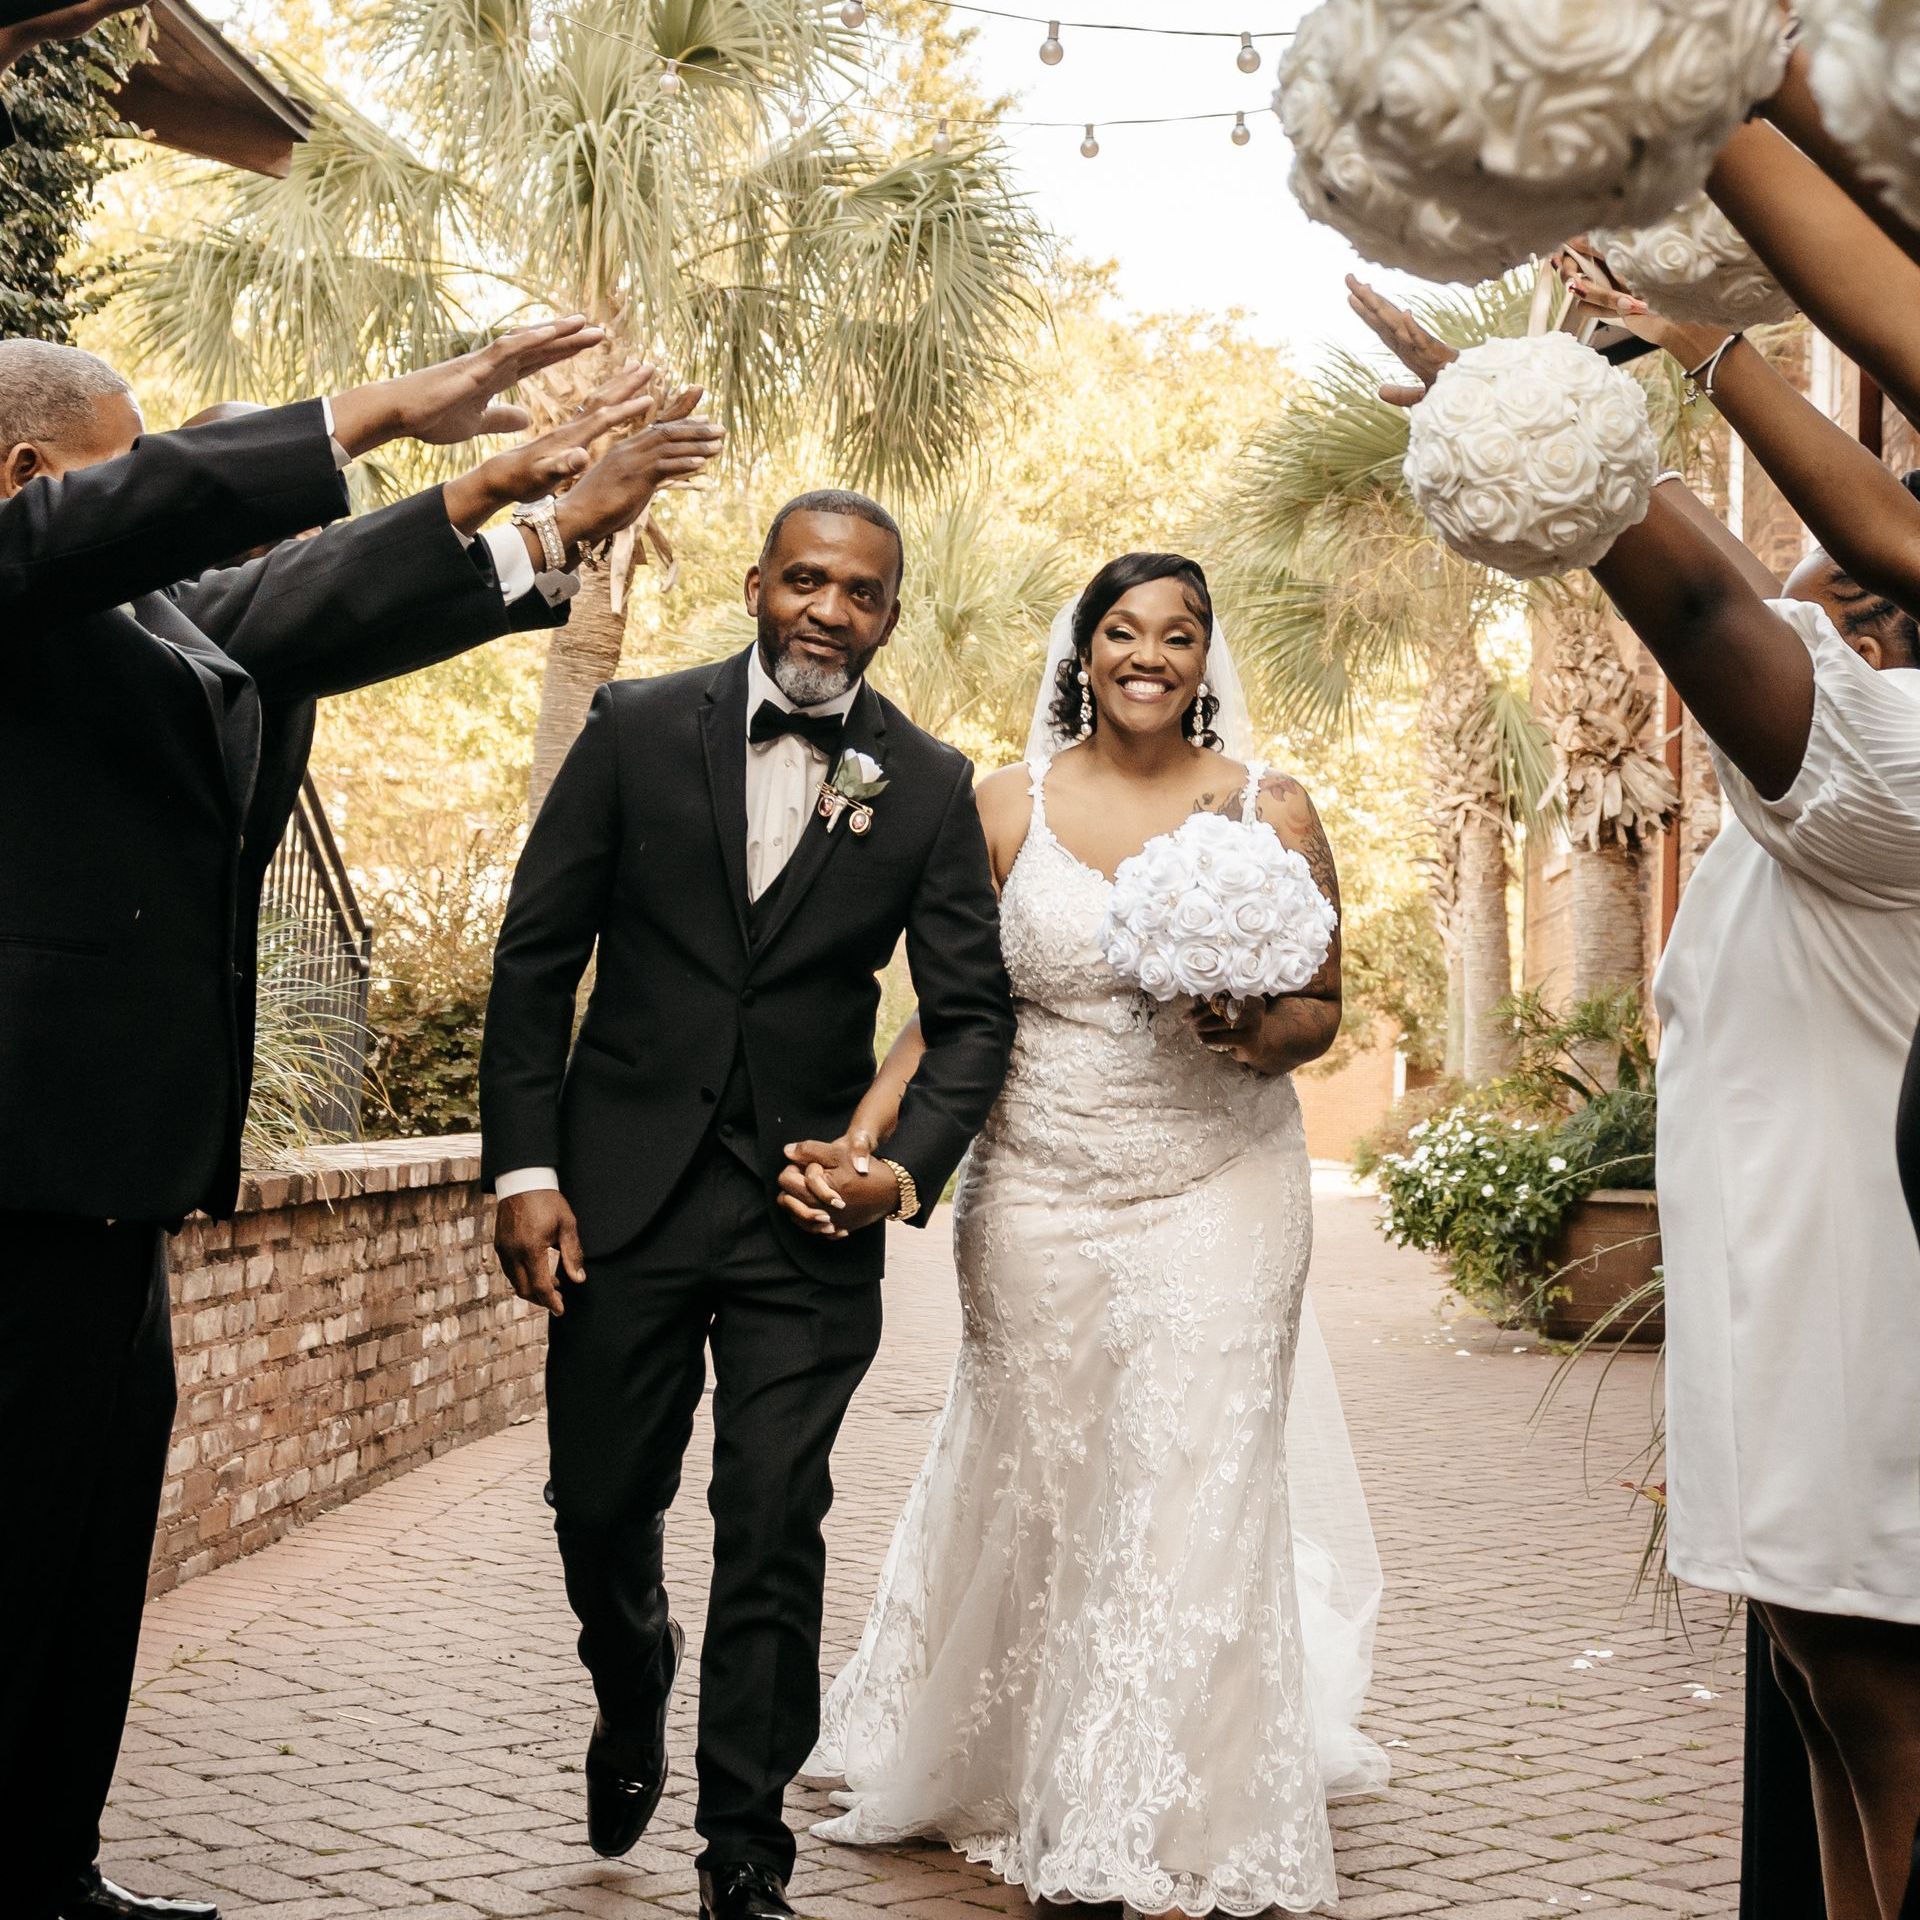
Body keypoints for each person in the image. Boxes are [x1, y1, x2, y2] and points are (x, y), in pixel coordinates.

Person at [0, 322, 724, 1920]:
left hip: (116, 1174)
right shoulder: (18, 578)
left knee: (89, 1543)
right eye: (139, 470)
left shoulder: (147, 621)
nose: (177, 516)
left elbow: (288, 613)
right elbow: (173, 544)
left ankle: (51, 1868)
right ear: (31, 479)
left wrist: (530, 521)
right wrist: (385, 415)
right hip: (20, 1170)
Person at [1350, 278, 1920, 1920]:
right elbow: (1734, 592)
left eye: (1833, 580)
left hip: (1866, 1331)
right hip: (1788, 1332)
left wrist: (1545, 423)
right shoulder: (1841, 774)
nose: (1791, 585)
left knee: (1887, 1730)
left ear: (1883, 629)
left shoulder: (1882, 782)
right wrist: (1533, 410)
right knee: (1827, 1708)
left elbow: (1704, 605)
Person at [786, 553, 1386, 1915]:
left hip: (1219, 1183)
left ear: (1205, 662)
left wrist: (1248, 1022)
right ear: (1085, 648)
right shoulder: (1004, 805)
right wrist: (869, 1138)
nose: (1150, 654)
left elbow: (1322, 1008)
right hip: (1038, 1190)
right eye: (1125, 629)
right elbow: (946, 1009)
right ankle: (1016, 1749)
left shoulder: (1268, 807)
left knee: (1193, 1468)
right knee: (1053, 1477)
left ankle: (1146, 1802)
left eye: (1180, 636)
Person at [477, 490, 1017, 1920]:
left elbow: (968, 1017)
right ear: (756, 584)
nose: (831, 610)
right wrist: (525, 1170)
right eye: (806, 581)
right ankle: (631, 1661)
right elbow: (537, 963)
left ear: (890, 614)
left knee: (774, 1516)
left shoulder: (930, 782)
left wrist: (900, 1170)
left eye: (862, 592)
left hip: (805, 1219)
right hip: (619, 1202)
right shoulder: (637, 729)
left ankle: (743, 1852)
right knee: (601, 1502)